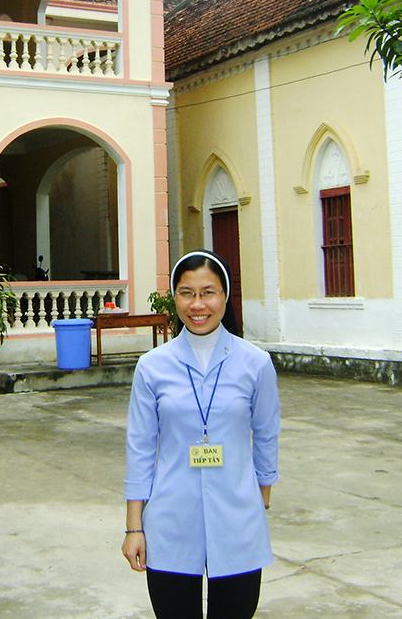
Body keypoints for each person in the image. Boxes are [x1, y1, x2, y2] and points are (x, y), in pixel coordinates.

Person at [122, 250, 281, 619]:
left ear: (225, 296)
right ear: (174, 297)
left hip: (238, 521)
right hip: (170, 521)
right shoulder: (152, 367)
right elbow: (140, 447)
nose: (198, 304)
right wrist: (134, 527)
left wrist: (260, 503)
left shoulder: (255, 363)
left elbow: (267, 434)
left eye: (208, 292)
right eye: (186, 292)